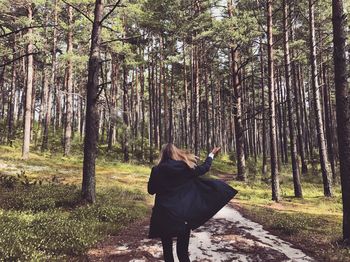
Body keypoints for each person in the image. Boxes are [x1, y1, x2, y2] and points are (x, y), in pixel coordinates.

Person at [147, 143, 237, 262]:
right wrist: (211, 155)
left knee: (167, 253)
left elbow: (151, 191)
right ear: (176, 153)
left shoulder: (156, 170)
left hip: (164, 215)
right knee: (183, 253)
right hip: (182, 215)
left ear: (162, 155)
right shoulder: (184, 167)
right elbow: (205, 168)